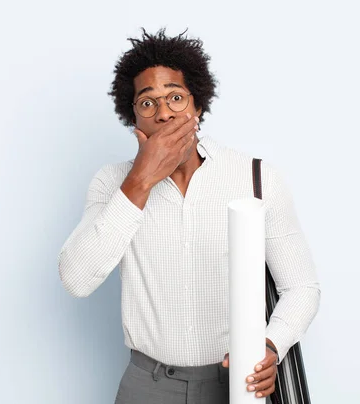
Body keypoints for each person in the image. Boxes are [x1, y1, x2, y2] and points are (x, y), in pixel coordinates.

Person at [58, 28, 320, 404]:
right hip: (147, 386)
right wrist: (141, 180)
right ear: (133, 116)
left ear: (198, 106)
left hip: (237, 384)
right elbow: (76, 279)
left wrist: (270, 345)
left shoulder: (255, 177)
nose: (164, 113)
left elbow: (301, 288)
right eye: (148, 103)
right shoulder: (113, 182)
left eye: (176, 98)